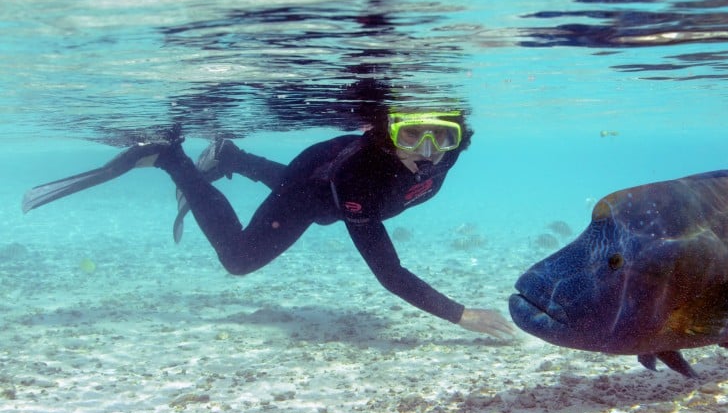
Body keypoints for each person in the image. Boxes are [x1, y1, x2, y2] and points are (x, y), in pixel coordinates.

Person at [22, 110, 517, 340]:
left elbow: (431, 149)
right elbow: (388, 271)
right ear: (386, 134)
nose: (426, 153)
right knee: (241, 257)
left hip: (322, 179)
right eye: (411, 134)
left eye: (442, 138)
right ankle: (173, 161)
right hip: (316, 183)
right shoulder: (361, 178)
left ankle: (231, 155)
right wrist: (460, 314)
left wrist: (431, 143)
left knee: (320, 198)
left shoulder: (442, 156)